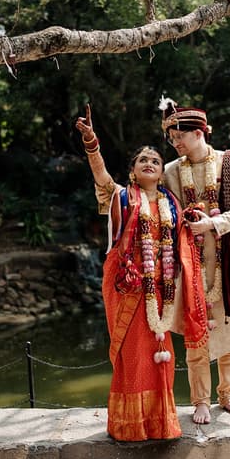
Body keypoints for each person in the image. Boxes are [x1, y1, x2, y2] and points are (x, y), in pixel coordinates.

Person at [75, 104, 206, 441]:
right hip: (127, 285)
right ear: (133, 171)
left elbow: (181, 245)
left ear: (161, 173)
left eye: (156, 161)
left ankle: (160, 423)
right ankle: (129, 426)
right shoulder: (120, 196)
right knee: (133, 356)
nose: (150, 163)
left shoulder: (171, 204)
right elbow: (101, 175)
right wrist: (92, 143)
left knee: (160, 358)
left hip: (161, 291)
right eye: (142, 160)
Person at [160, 99, 230, 425]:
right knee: (197, 332)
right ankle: (200, 401)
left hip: (229, 260)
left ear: (199, 132)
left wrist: (212, 224)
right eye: (171, 138)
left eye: (179, 135)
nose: (175, 142)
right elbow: (161, 211)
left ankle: (227, 395)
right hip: (190, 261)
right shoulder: (170, 171)